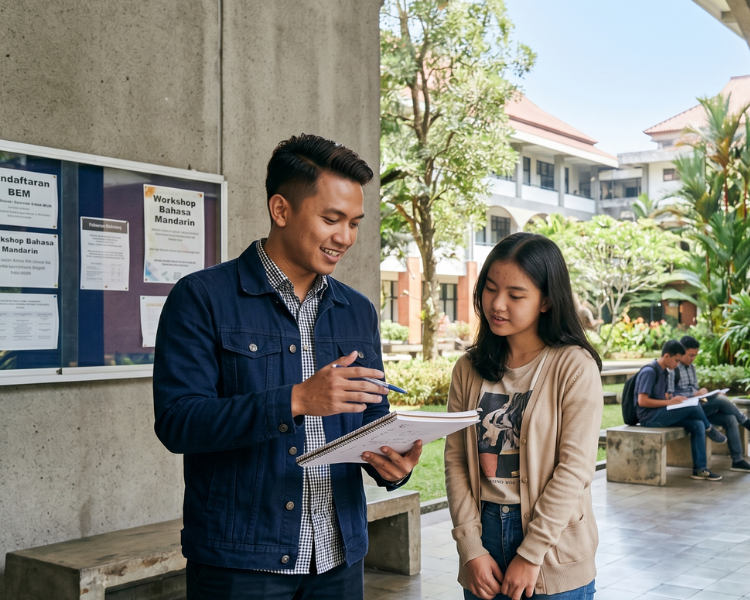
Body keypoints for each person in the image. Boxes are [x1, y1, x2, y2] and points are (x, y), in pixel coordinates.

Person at [153, 135, 422, 597]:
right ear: (281, 210)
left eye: (354, 223)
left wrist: (392, 466)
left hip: (338, 557)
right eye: (331, 219)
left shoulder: (357, 312)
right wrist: (296, 400)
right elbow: (178, 423)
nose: (346, 237)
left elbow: (372, 416)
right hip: (241, 563)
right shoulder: (201, 298)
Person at [445, 232, 604, 600]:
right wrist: (470, 547)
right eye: (490, 289)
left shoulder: (574, 366)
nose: (497, 304)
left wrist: (531, 554)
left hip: (554, 543)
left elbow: (575, 469)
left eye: (516, 295)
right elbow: (456, 460)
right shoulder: (468, 368)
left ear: (546, 300)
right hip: (484, 538)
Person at [634, 341, 727, 481]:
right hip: (649, 418)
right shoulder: (650, 371)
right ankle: (710, 429)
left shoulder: (664, 371)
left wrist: (672, 398)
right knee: (694, 406)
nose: (678, 364)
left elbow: (662, 395)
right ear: (666, 356)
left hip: (661, 412)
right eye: (676, 360)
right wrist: (669, 402)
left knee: (697, 424)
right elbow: (642, 401)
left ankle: (700, 469)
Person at [675, 335, 750, 473]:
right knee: (721, 401)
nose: (692, 358)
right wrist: (694, 395)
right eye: (690, 355)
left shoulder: (691, 367)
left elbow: (693, 390)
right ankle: (745, 421)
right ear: (681, 352)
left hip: (699, 406)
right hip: (686, 410)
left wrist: (705, 393)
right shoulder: (673, 368)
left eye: (695, 355)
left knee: (730, 418)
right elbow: (671, 396)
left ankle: (738, 460)